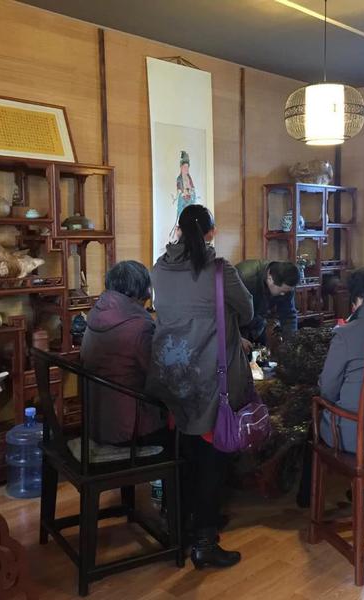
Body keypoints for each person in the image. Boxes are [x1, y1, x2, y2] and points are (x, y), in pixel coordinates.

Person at [147, 204, 253, 569]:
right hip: (210, 379)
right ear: (211, 233)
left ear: (177, 230)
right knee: (211, 459)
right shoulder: (220, 272)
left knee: (184, 454)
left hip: (171, 378)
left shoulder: (159, 269)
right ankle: (204, 542)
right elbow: (248, 312)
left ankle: (180, 524)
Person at [296, 264, 364, 510]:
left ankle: (306, 499)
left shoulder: (347, 333)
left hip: (358, 438)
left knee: (315, 423)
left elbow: (327, 390)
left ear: (359, 298)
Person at [80, 260, 164, 445]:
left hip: (95, 423)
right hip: (131, 430)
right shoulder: (140, 326)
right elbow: (159, 378)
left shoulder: (95, 315)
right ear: (143, 290)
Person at [235, 259, 300, 352]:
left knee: (260, 356)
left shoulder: (286, 283)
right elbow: (224, 313)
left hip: (257, 324)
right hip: (234, 326)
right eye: (282, 291)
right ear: (270, 279)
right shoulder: (243, 277)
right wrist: (238, 338)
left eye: (287, 292)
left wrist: (291, 346)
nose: (284, 295)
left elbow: (288, 316)